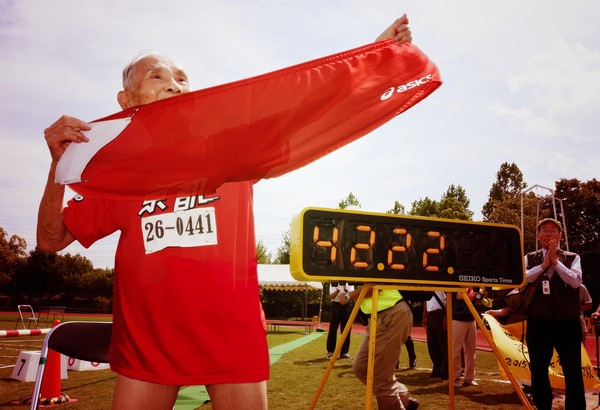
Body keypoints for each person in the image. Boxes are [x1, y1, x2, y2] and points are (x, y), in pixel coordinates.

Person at [36, 15, 414, 410]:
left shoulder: (231, 147)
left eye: (182, 78)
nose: (174, 84)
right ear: (127, 100)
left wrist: (376, 55)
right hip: (148, 345)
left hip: (232, 338)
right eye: (157, 77)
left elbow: (307, 105)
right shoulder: (119, 172)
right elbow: (51, 239)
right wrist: (57, 169)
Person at [525, 218, 585, 410]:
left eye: (553, 230)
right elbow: (523, 279)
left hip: (567, 323)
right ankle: (543, 406)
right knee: (539, 370)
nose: (548, 233)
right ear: (538, 236)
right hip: (538, 322)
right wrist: (543, 265)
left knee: (573, 370)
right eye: (544, 230)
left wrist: (555, 262)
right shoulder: (529, 258)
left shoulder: (573, 257)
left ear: (560, 236)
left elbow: (576, 281)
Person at [342, 286, 419, 409]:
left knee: (380, 377)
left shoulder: (367, 267)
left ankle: (398, 400)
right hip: (376, 318)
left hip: (391, 314)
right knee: (361, 367)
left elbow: (373, 286)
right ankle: (401, 394)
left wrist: (348, 296)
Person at [451, 289, 478, 388]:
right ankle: (455, 379)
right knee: (455, 351)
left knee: (471, 350)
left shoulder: (473, 287)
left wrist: (480, 295)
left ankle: (469, 378)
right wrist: (471, 289)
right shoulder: (455, 285)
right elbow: (459, 296)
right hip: (457, 320)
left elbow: (479, 301)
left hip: (471, 319)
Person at [422, 291, 448, 379]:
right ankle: (437, 369)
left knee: (443, 344)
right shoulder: (427, 288)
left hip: (440, 313)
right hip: (430, 315)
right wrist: (425, 317)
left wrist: (446, 316)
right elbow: (426, 302)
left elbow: (448, 300)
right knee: (432, 345)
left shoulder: (442, 285)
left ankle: (446, 371)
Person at [326, 281, 353, 359]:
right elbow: (332, 296)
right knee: (333, 329)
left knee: (346, 329)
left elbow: (351, 295)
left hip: (346, 305)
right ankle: (330, 352)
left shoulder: (349, 282)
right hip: (336, 305)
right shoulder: (334, 282)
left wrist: (345, 289)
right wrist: (338, 289)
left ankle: (344, 352)